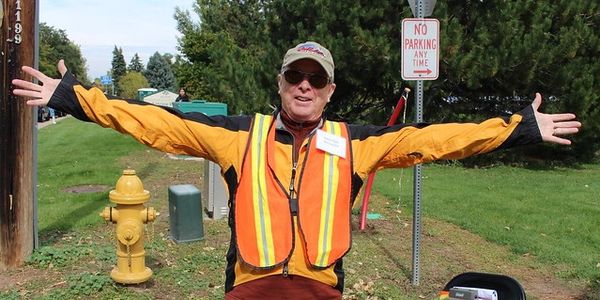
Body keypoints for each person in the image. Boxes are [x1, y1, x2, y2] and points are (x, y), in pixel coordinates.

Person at [12, 41, 580, 299]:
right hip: (250, 291)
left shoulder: (354, 143)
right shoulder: (240, 136)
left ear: (330, 91)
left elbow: (434, 140)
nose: (304, 86)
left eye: (315, 79)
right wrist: (76, 98)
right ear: (280, 85)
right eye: (294, 77)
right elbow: (155, 123)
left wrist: (516, 127)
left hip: (321, 291)